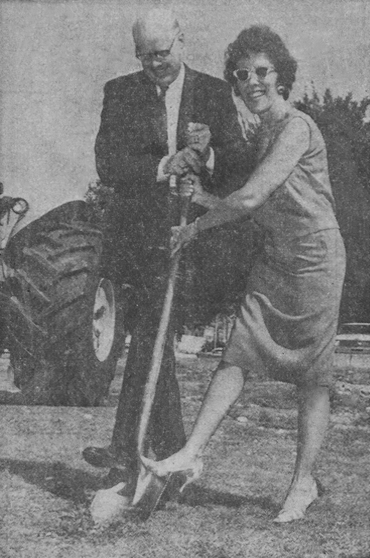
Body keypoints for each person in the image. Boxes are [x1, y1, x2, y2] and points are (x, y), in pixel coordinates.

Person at [143, 25, 346, 523]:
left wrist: (196, 228)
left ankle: (302, 485)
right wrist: (204, 182)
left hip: (316, 258)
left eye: (261, 72)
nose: (251, 82)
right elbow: (252, 203)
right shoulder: (261, 133)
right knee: (237, 352)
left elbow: (253, 196)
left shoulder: (296, 126)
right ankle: (190, 454)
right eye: (241, 74)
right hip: (276, 256)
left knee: (313, 377)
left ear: (281, 76)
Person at [82, 8, 253, 501]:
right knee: (150, 340)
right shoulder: (121, 92)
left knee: (149, 336)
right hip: (137, 243)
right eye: (145, 55)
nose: (155, 63)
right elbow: (108, 162)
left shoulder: (215, 93)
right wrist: (164, 163)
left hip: (193, 242)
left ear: (181, 42)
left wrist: (209, 158)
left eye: (162, 52)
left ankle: (126, 453)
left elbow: (241, 167)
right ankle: (175, 456)